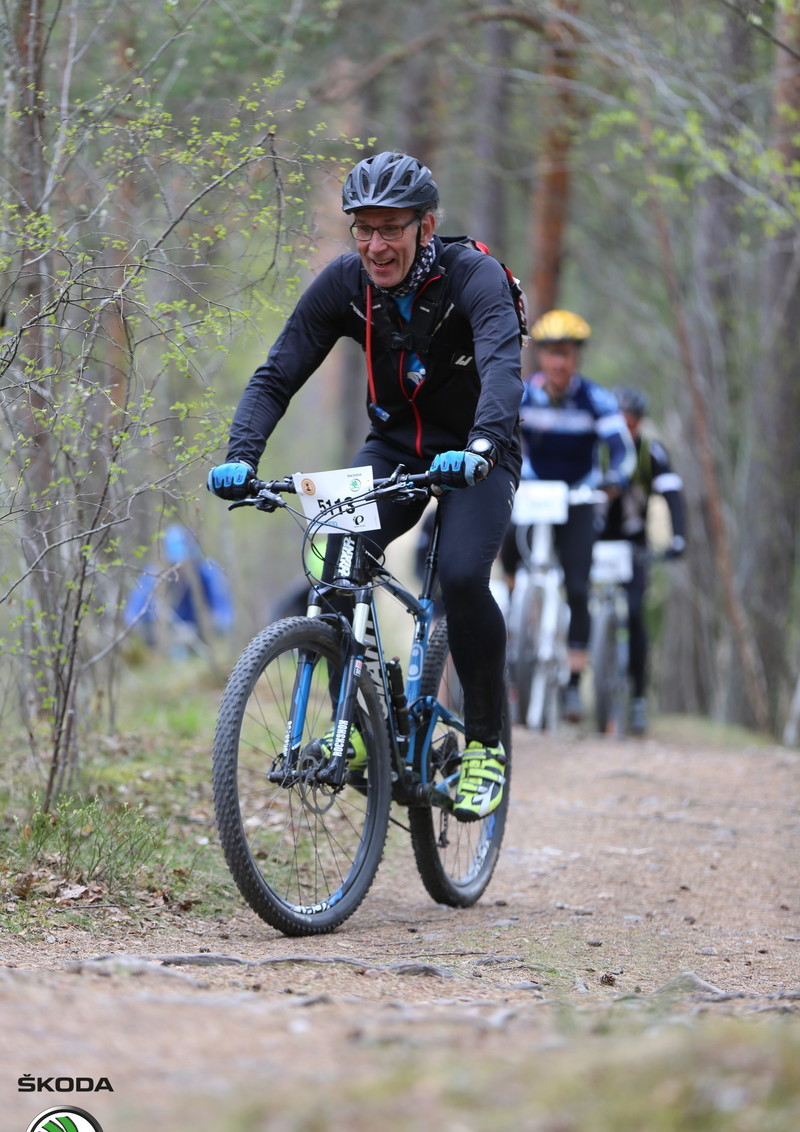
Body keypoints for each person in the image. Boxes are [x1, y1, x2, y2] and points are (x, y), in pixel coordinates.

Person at [207, 150, 524, 822]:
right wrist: (241, 455)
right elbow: (277, 374)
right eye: (364, 229)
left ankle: (486, 743)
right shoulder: (346, 284)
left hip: (478, 449)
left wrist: (482, 445)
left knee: (461, 576)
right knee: (333, 555)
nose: (375, 245)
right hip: (395, 450)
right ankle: (351, 724)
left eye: (391, 229)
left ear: (425, 225)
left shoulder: (475, 276)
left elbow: (502, 366)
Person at [502, 309, 636, 722]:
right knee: (507, 555)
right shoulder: (523, 395)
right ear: (541, 355)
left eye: (567, 353)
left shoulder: (597, 399)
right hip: (534, 493)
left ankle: (575, 684)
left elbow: (622, 449)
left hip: (579, 497)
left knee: (578, 586)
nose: (559, 362)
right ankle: (513, 638)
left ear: (577, 357)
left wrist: (615, 477)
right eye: (552, 353)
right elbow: (503, 434)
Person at [599, 386, 687, 734]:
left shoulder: (652, 452)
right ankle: (569, 685)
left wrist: (678, 537)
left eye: (632, 422)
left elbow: (672, 495)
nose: (626, 427)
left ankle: (637, 697)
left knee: (635, 612)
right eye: (620, 420)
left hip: (634, 543)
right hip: (595, 540)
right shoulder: (598, 447)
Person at [124, 523, 235, 654]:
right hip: (161, 637)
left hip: (198, 633)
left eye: (183, 563)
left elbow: (224, 613)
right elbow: (132, 614)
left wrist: (210, 626)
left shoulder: (207, 571)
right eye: (174, 564)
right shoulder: (153, 575)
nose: (179, 568)